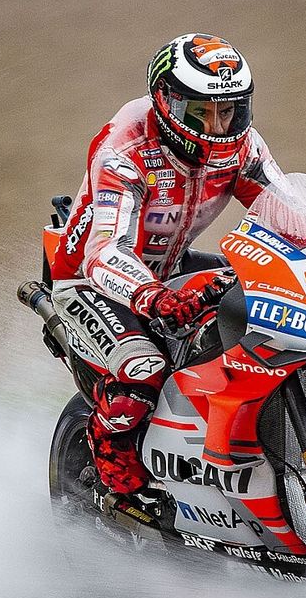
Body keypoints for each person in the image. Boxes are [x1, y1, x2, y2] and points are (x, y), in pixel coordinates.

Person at [49, 33, 282, 497]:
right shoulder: (124, 148)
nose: (218, 125)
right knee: (143, 372)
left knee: (267, 309)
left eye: (229, 109)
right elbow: (104, 252)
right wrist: (151, 295)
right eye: (202, 111)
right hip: (91, 281)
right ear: (166, 102)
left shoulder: (242, 146)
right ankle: (119, 489)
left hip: (169, 267)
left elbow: (285, 212)